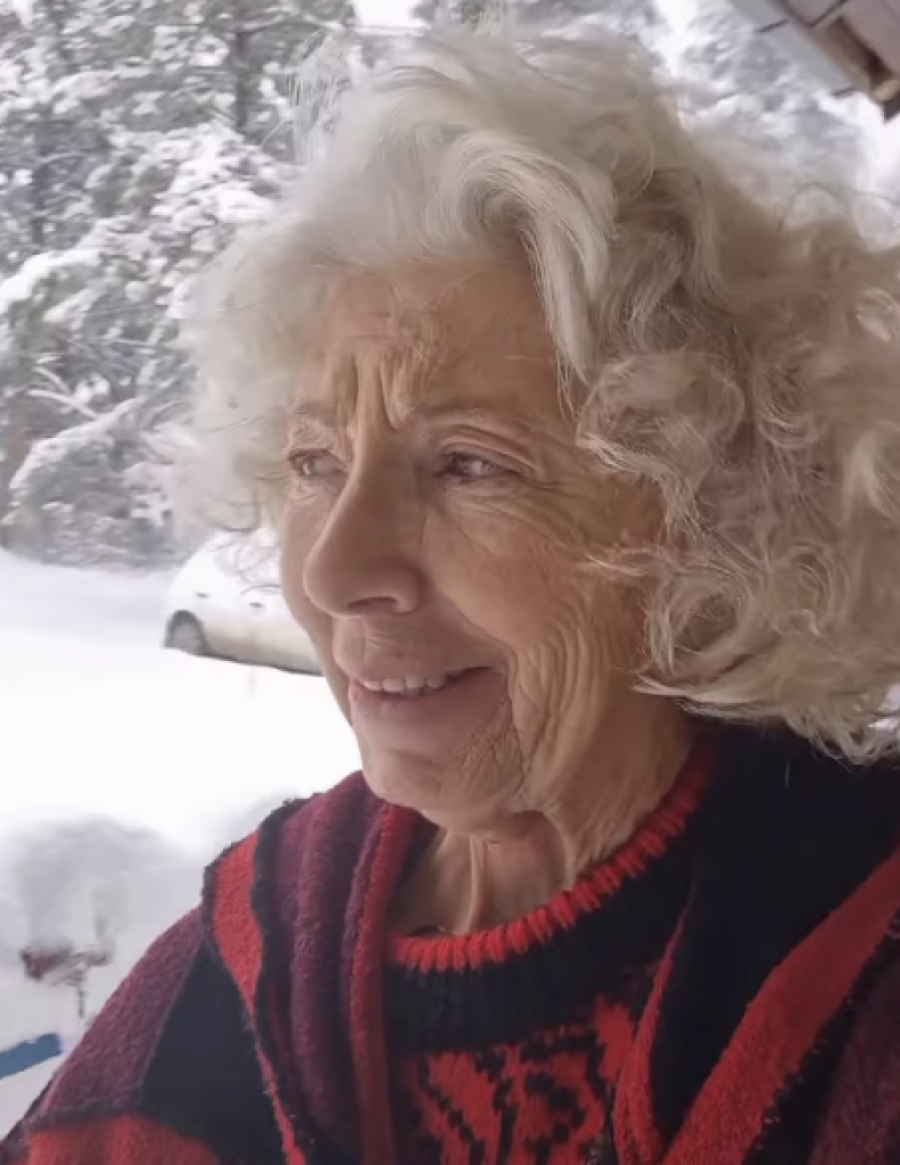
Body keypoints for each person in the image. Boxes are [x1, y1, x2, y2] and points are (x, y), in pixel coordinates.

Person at [5, 24, 900, 1165]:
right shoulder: (257, 953)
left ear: (713, 515)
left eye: (469, 464)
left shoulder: (862, 960)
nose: (333, 571)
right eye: (315, 462)